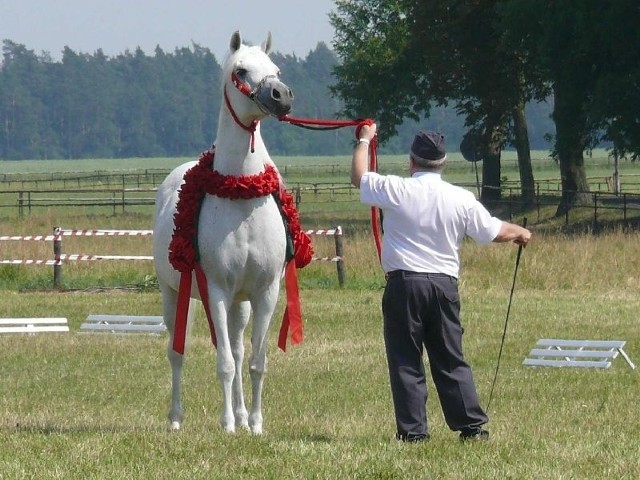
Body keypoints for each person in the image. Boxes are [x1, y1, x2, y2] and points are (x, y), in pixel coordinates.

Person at [352, 124, 531, 442]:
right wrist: (519, 231)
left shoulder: (396, 189)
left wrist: (365, 139)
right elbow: (492, 232)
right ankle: (471, 427)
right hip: (444, 286)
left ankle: (413, 433)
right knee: (450, 356)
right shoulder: (460, 197)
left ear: (411, 162)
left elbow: (359, 177)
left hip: (404, 283)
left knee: (406, 358)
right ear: (443, 163)